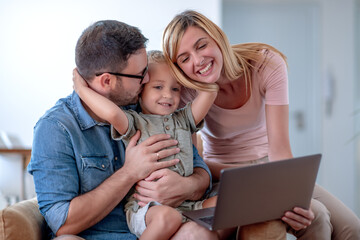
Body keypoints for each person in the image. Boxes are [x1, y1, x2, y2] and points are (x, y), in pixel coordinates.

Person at [157, 10, 360, 240]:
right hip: (224, 175)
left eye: (201, 46)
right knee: (320, 215)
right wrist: (242, 175)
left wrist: (287, 190)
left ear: (217, 38)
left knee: (351, 229)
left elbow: (280, 151)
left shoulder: (265, 63)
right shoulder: (184, 92)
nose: (197, 60)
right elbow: (193, 163)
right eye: (184, 58)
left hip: (271, 170)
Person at [28, 20, 217, 240]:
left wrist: (184, 186)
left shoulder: (148, 105)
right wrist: (130, 173)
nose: (147, 79)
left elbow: (200, 172)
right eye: (140, 74)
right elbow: (62, 223)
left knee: (200, 233)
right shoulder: (56, 128)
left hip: (163, 228)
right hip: (95, 236)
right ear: (107, 81)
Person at [72, 50, 218, 240]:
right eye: (158, 87)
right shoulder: (135, 122)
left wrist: (198, 65)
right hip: (146, 208)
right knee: (168, 217)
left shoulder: (183, 119)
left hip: (185, 203)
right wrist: (82, 90)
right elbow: (113, 114)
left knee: (226, 204)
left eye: (175, 89)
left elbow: (210, 91)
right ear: (140, 91)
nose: (168, 95)